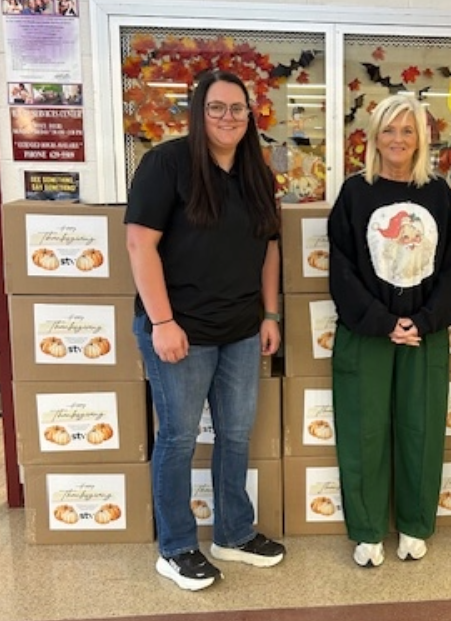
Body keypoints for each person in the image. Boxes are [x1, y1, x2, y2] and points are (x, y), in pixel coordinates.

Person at [125, 69, 285, 591]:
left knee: (236, 436)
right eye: (216, 107)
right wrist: (162, 322)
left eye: (237, 108)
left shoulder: (257, 172)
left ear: (249, 116)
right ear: (198, 112)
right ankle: (175, 548)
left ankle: (233, 534)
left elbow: (270, 248)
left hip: (240, 329)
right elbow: (139, 245)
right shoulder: (166, 163)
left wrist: (270, 314)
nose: (227, 117)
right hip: (180, 331)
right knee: (177, 437)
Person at [327, 94, 451, 568]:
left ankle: (414, 524)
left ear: (421, 138)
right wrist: (385, 323)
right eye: (389, 130)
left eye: (408, 131)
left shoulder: (439, 195)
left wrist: (421, 322)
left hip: (424, 334)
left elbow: (450, 269)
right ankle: (367, 530)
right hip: (366, 333)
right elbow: (341, 269)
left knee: (420, 429)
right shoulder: (355, 193)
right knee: (363, 431)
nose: (398, 139)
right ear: (375, 137)